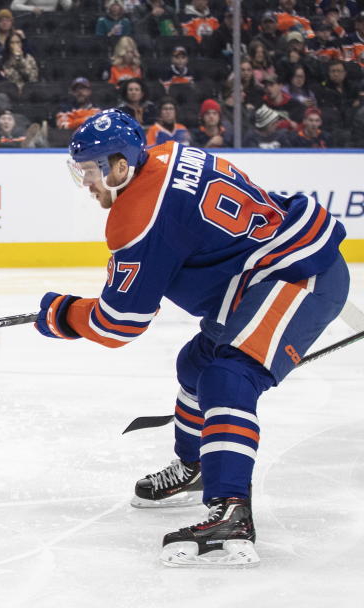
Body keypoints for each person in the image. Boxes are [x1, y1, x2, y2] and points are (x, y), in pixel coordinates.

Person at [48, 109, 348, 567]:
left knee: (228, 379)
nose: (86, 182)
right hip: (267, 270)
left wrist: (63, 315)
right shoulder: (169, 154)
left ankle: (230, 511)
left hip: (297, 277)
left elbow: (119, 323)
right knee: (195, 364)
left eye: (90, 171)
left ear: (120, 166)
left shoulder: (138, 215)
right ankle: (197, 467)